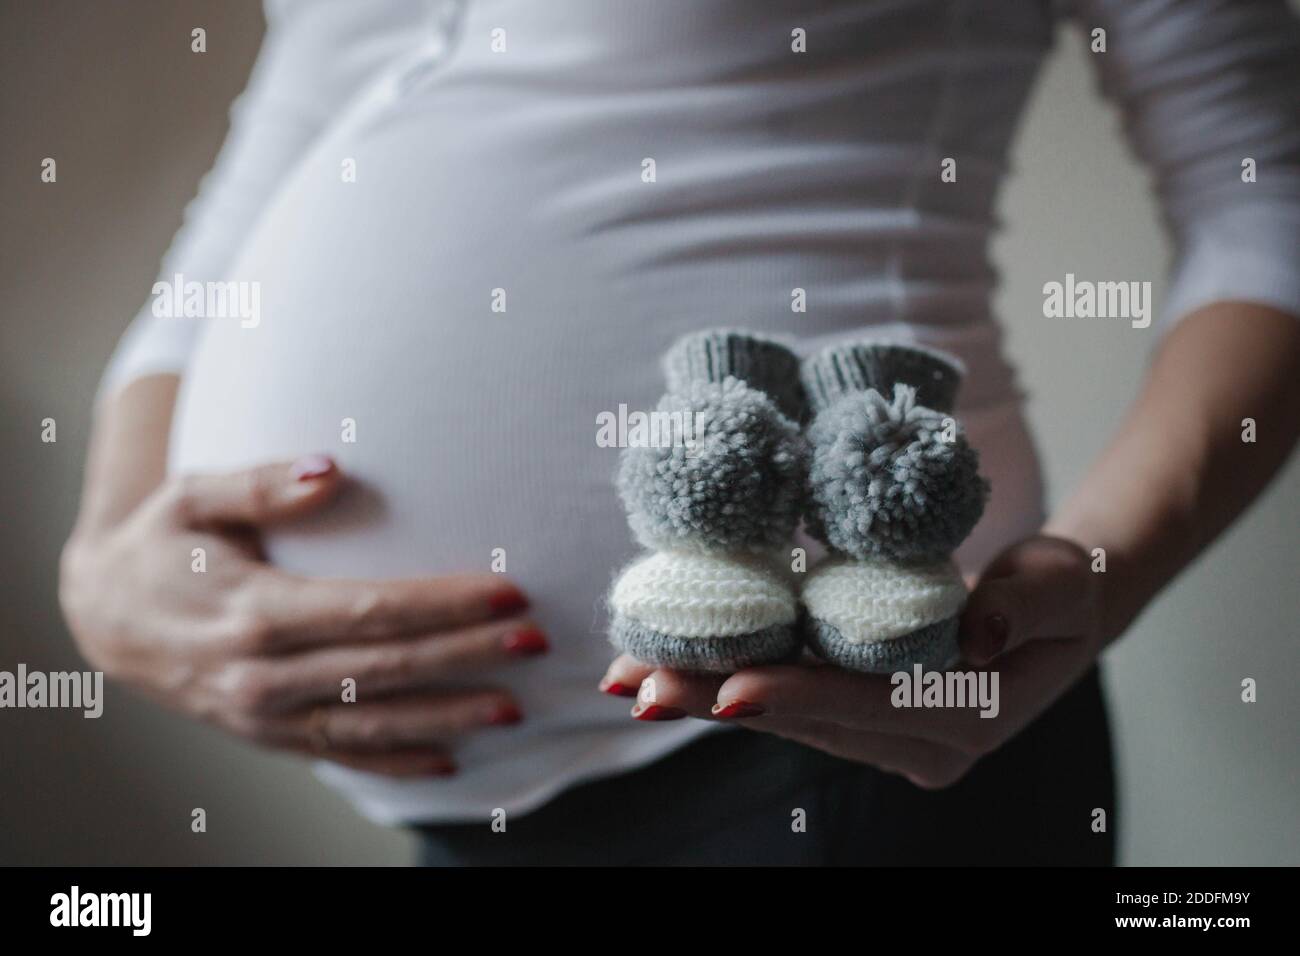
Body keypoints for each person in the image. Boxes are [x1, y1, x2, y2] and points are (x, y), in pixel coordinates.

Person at [60, 0, 1300, 865]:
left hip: (836, 750)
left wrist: (1099, 574)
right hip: (462, 812)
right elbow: (277, 161)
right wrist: (104, 555)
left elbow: (1264, 195)